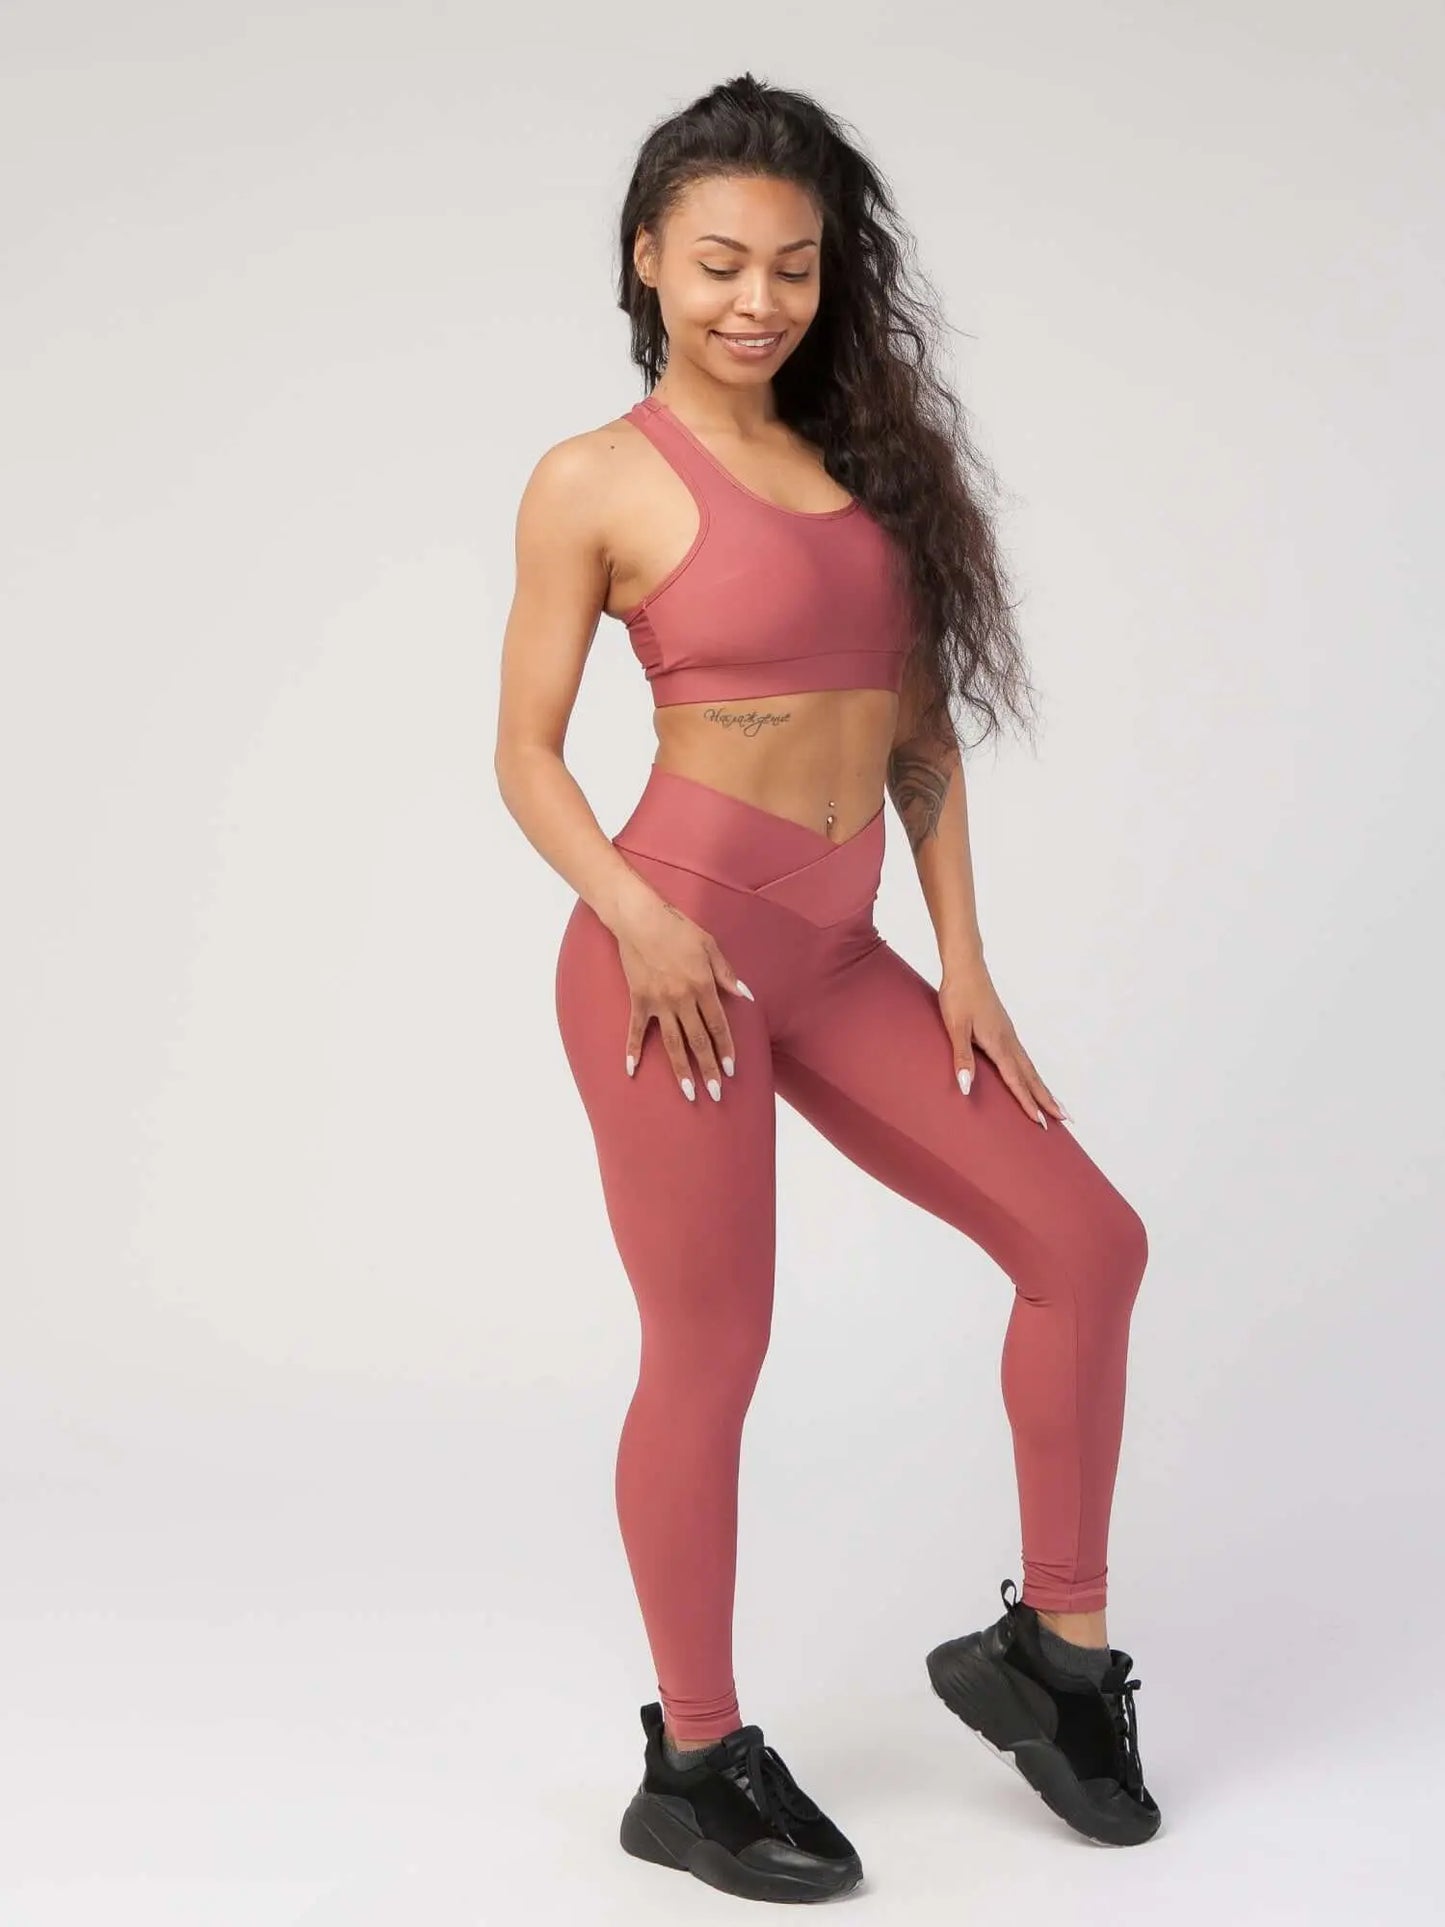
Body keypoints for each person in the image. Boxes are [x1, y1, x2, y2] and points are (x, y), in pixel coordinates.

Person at [495, 73, 1161, 1904]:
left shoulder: (865, 467)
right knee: (712, 1351)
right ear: (648, 257)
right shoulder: (595, 478)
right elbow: (525, 756)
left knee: (1086, 1245)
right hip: (672, 967)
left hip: (848, 954)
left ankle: (1054, 1661)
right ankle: (695, 1761)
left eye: (793, 266)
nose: (757, 300)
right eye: (720, 261)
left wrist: (964, 962)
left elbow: (917, 733)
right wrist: (634, 915)